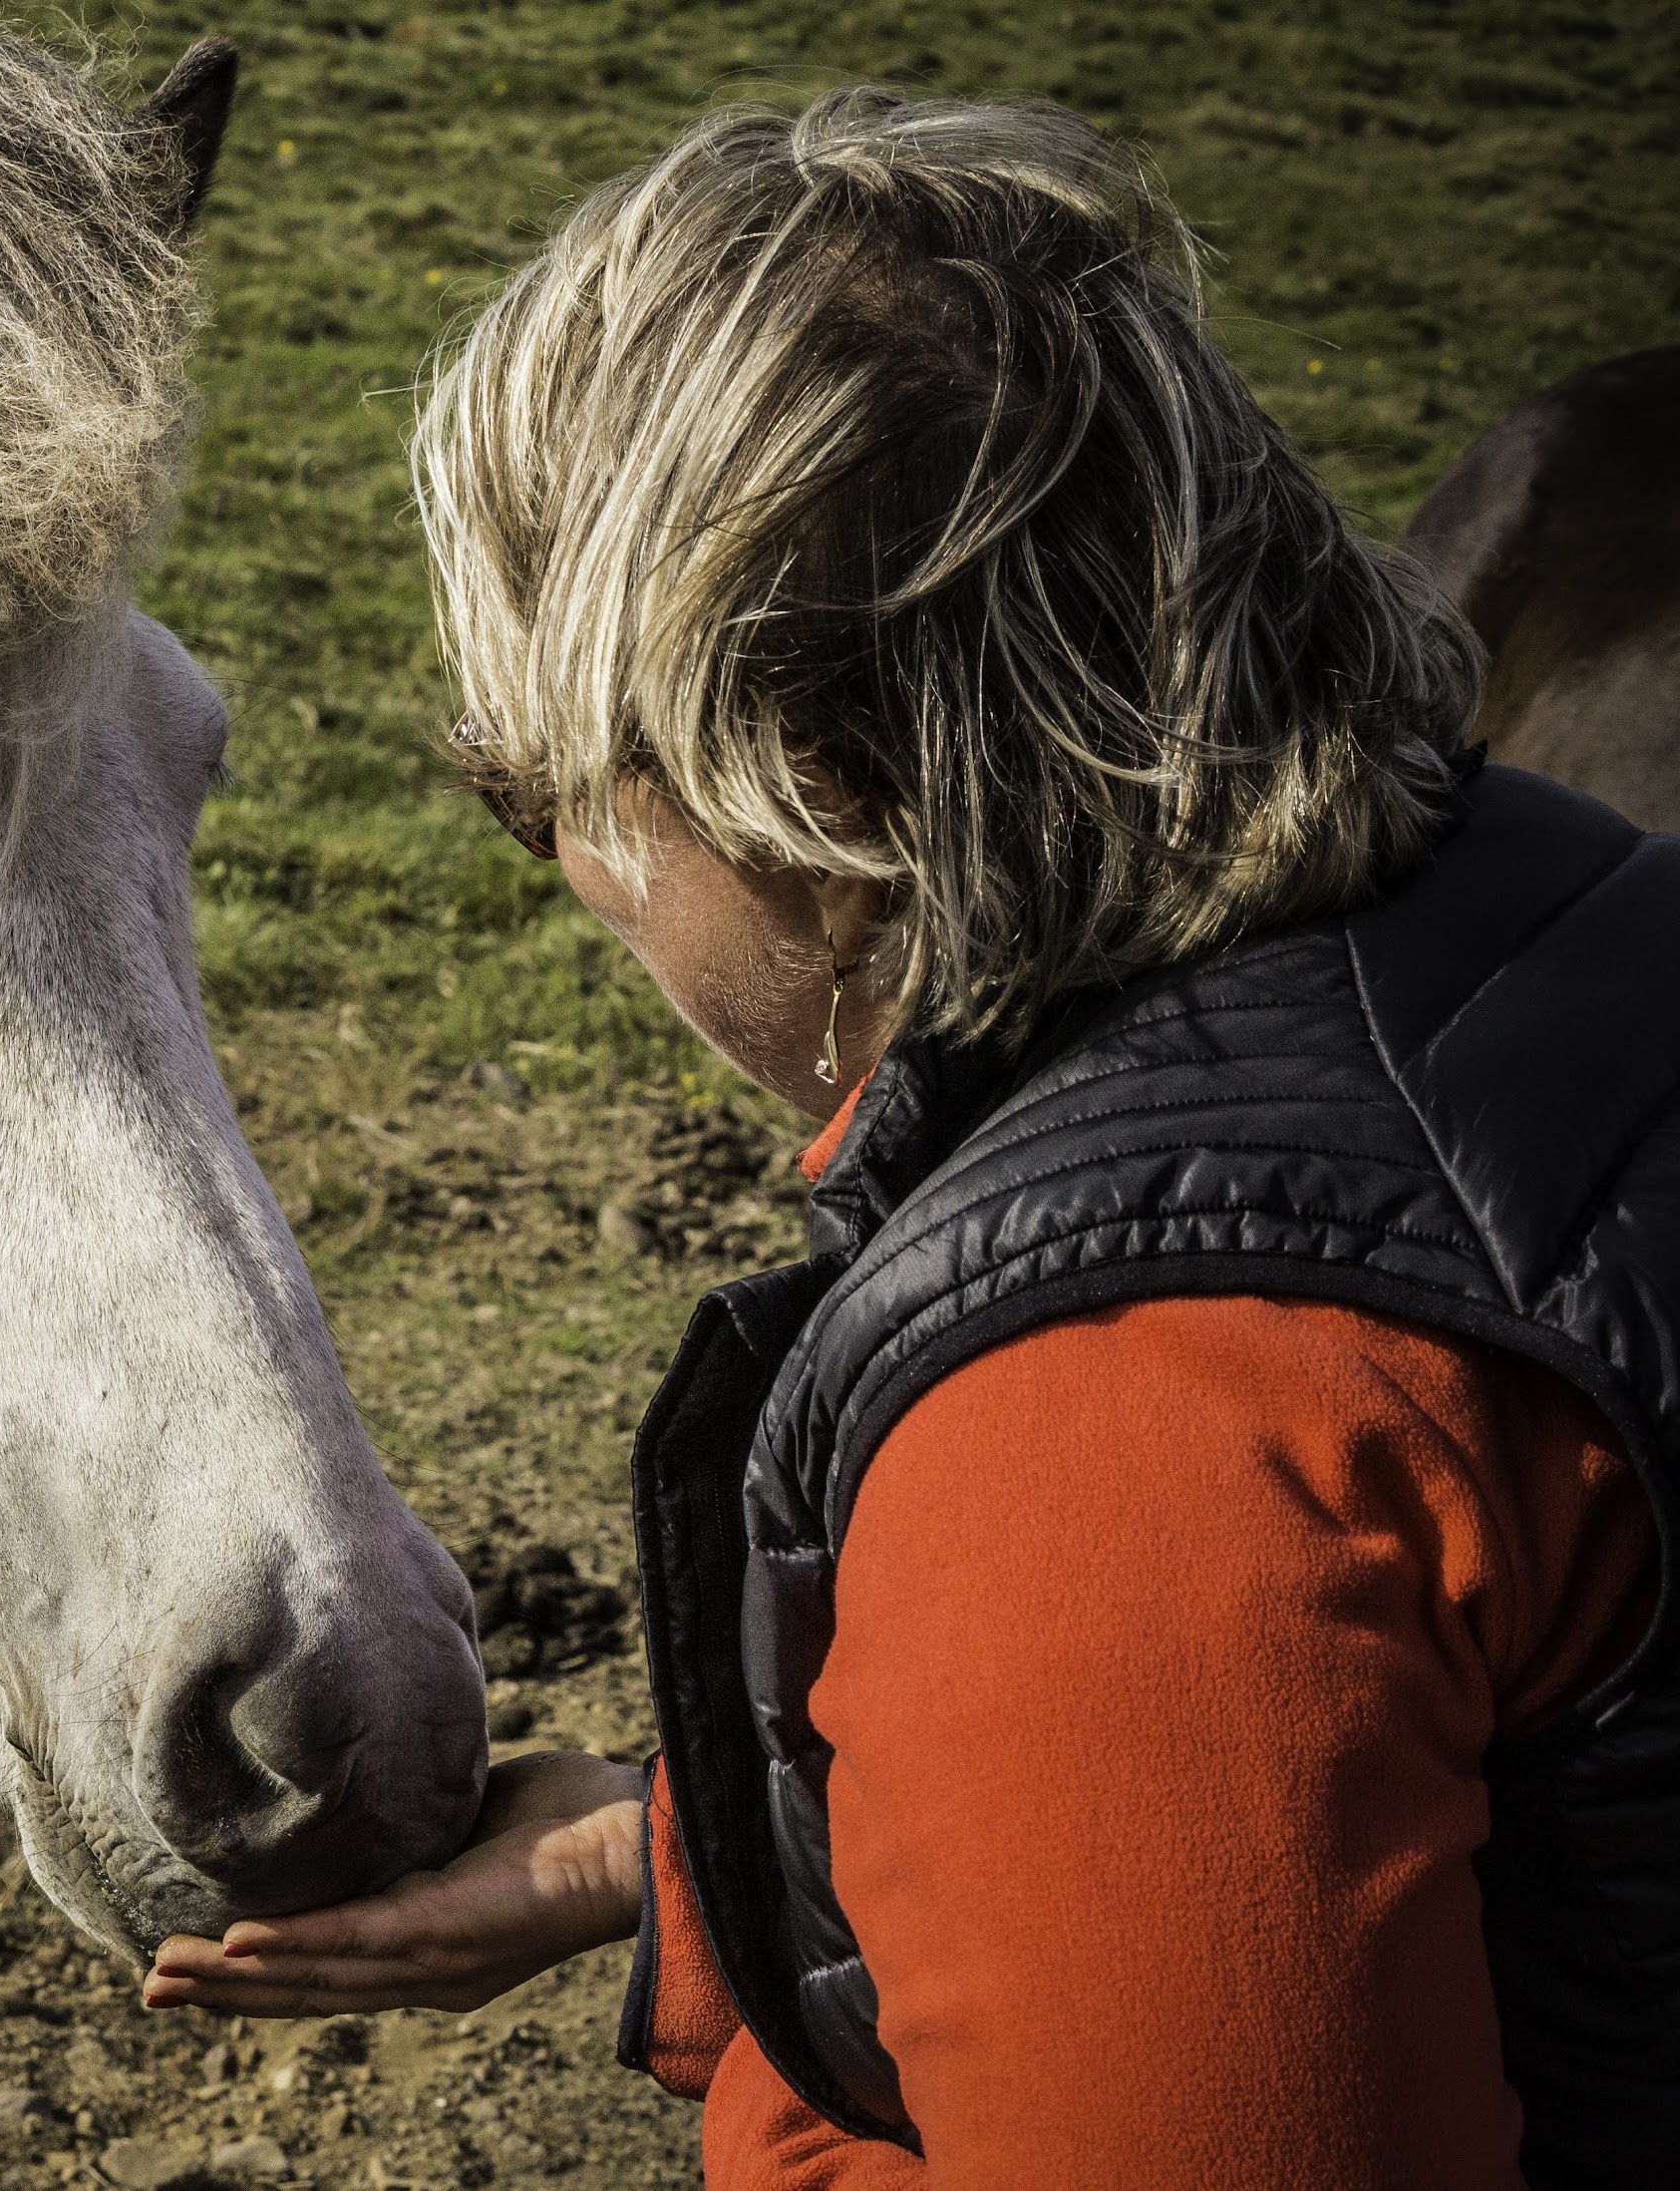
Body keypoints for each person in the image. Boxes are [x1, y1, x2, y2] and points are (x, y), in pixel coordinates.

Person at [142, 86, 1680, 2190]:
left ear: (826, 785)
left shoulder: (1116, 1427)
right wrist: (694, 1864)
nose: (578, 882)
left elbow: (1175, 1690)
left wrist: (785, 2105)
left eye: (564, 795)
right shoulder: (1568, 924)